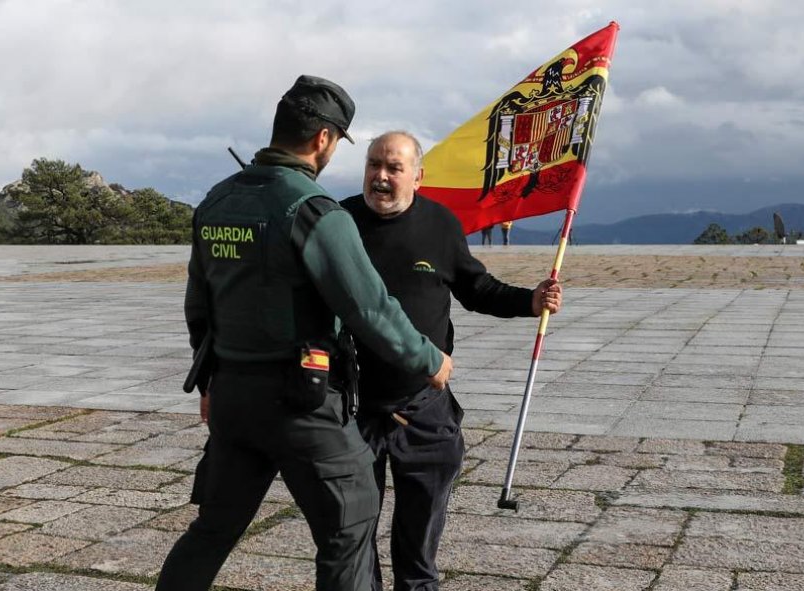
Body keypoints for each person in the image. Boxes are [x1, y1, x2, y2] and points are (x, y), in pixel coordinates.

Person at [156, 78, 453, 591]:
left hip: (232, 398)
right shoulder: (315, 210)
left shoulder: (215, 203)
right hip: (301, 402)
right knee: (352, 521)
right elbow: (369, 307)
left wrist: (210, 384)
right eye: (338, 143)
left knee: (214, 527)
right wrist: (429, 359)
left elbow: (198, 310)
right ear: (323, 139)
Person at [340, 131, 562, 591]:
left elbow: (476, 288)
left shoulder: (440, 225)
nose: (380, 176)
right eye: (373, 164)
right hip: (352, 407)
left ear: (417, 177)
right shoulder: (338, 223)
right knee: (352, 538)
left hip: (424, 406)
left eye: (394, 168)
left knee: (419, 542)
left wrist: (531, 301)